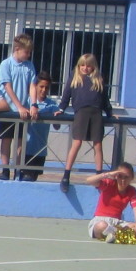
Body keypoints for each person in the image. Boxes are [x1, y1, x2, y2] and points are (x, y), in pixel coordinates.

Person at [58, 54, 111, 193]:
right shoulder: (74, 77)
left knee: (98, 144)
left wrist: (110, 113)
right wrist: (61, 108)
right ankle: (66, 175)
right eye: (82, 65)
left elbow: (105, 99)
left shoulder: (98, 78)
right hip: (81, 112)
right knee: (77, 142)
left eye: (88, 65)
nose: (85, 68)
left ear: (93, 66)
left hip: (96, 113)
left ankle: (99, 175)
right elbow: (66, 94)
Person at [0, 33, 37, 179]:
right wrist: (18, 106)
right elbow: (7, 87)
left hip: (24, 110)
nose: (28, 55)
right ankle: (5, 169)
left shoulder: (29, 66)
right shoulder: (6, 64)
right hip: (8, 109)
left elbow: (32, 86)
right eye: (26, 52)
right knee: (6, 139)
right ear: (18, 49)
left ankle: (18, 169)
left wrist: (33, 104)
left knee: (21, 140)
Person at [79, 164, 136, 241]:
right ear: (116, 176)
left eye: (126, 177)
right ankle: (122, 235)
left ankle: (114, 235)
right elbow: (89, 180)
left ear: (132, 178)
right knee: (101, 226)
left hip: (117, 223)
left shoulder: (132, 190)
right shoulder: (109, 184)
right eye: (120, 176)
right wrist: (107, 174)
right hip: (101, 221)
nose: (123, 180)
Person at [18, 72, 59, 182]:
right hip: (26, 149)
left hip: (40, 150)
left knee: (33, 179)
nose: (43, 90)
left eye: (46, 87)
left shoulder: (51, 104)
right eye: (41, 86)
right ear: (35, 86)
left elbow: (57, 126)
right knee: (24, 178)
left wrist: (56, 116)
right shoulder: (27, 101)